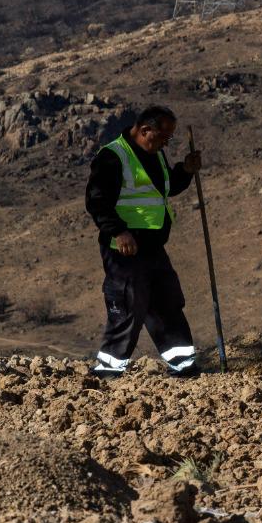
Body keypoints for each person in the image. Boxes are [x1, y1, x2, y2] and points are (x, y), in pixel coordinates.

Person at [85, 105, 203, 378]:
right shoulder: (113, 156)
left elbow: (166, 187)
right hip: (125, 248)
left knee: (167, 301)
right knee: (128, 305)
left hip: (152, 246)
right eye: (163, 136)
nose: (165, 143)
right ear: (144, 129)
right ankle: (108, 371)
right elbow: (97, 201)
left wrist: (185, 169)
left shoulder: (154, 154)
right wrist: (118, 231)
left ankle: (183, 365)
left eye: (169, 138)